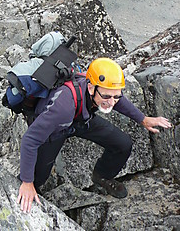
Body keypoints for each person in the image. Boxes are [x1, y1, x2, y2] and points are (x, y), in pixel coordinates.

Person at [17, 57, 172, 213]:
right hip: (56, 128)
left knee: (122, 144)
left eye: (115, 96)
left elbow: (118, 99)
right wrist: (27, 181)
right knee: (38, 177)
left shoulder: (101, 90)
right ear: (91, 88)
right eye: (106, 97)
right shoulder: (62, 107)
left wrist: (143, 119)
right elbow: (30, 140)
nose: (111, 103)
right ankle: (26, 194)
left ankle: (102, 176)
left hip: (80, 119)